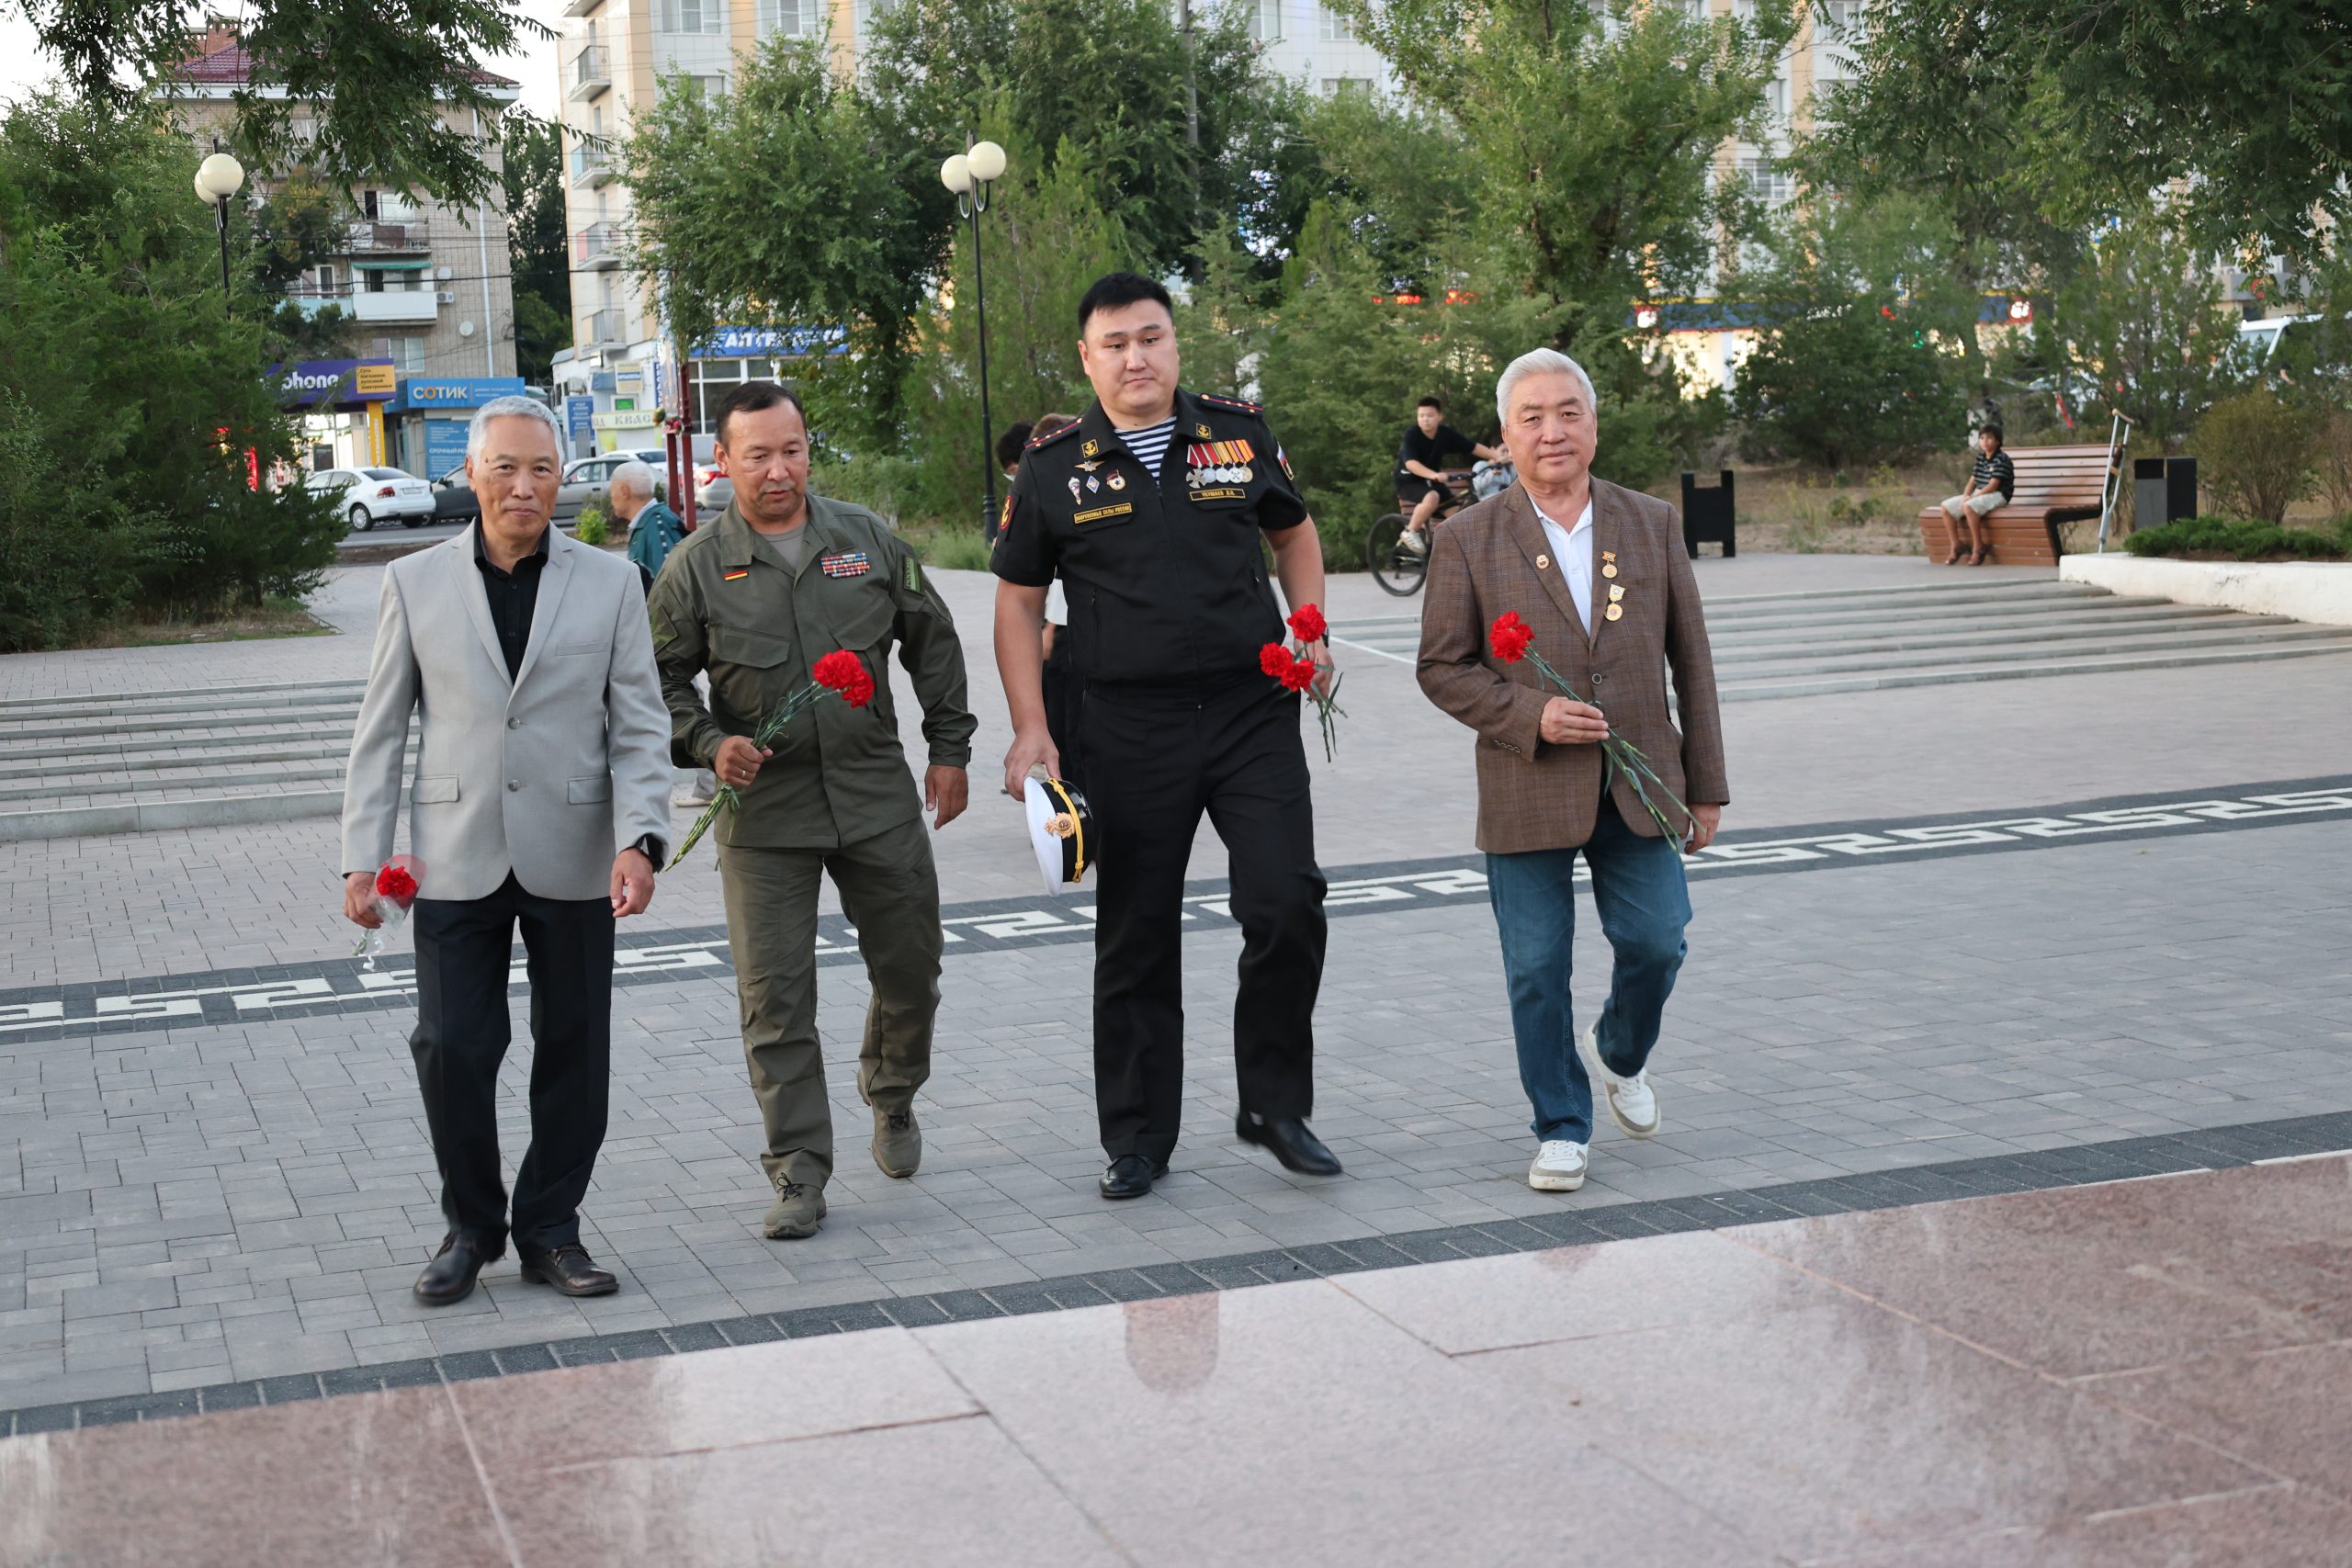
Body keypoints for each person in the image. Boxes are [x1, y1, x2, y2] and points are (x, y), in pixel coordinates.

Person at [991, 270, 1342, 1201]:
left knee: (1288, 901)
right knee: (1136, 930)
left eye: (1150, 338)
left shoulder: (1237, 433)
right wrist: (1031, 727)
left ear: (1176, 344)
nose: (1135, 357)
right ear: (1087, 358)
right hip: (1126, 724)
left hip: (1250, 711)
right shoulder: (1051, 466)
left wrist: (1309, 629)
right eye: (1115, 344)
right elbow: (1018, 604)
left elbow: (1294, 536)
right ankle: (1139, 1136)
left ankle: (1275, 1107)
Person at [339, 394, 672, 1305]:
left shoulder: (611, 583)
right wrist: (363, 856)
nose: (523, 486)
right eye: (505, 468)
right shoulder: (414, 582)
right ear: (472, 475)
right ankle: (472, 1227)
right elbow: (381, 730)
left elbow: (640, 723)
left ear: (562, 480)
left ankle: (551, 1229)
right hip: (452, 852)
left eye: (541, 470)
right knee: (451, 1044)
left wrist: (642, 838)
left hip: (576, 847)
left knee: (575, 1048)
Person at [647, 380, 976, 1241]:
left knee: (911, 967)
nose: (778, 469)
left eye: (791, 450)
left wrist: (949, 751)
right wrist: (709, 741)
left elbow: (934, 639)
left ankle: (892, 1092)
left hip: (875, 798)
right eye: (757, 454)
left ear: (807, 450)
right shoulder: (693, 567)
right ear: (724, 461)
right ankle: (798, 1168)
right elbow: (655, 681)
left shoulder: (865, 540)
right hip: (765, 817)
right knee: (775, 999)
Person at [1415, 349, 1728, 1197]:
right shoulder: (1467, 538)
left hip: (1641, 780)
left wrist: (1706, 785)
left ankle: (1620, 1049)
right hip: (1526, 781)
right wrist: (1531, 714)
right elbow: (1441, 667)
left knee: (1658, 940)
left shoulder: (1651, 521)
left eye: (1569, 413)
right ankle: (1560, 1123)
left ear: (1594, 423)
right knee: (1535, 967)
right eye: (1532, 417)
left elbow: (1692, 660)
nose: (1552, 431)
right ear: (1505, 434)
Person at [1025, 411, 1085, 789]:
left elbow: (1066, 571)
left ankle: (1070, 796)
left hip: (1069, 632)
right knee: (1061, 722)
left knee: (1069, 724)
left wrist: (1049, 628)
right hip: (1063, 629)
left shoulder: (1073, 488)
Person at [1396, 395, 1504, 554]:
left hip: (1432, 481)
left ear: (1440, 417)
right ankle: (1410, 531)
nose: (1425, 419)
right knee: (1432, 496)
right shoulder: (1412, 434)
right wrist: (1433, 475)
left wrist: (1497, 457)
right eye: (1421, 416)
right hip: (1408, 481)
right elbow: (1411, 464)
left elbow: (1472, 447)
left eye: (1430, 415)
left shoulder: (1445, 434)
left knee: (1457, 517)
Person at [1939, 423, 2015, 566]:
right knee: (1945, 507)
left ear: (1998, 441)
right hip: (1980, 493)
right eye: (1982, 438)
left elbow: (1993, 485)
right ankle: (1956, 544)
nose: (1985, 441)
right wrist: (1965, 496)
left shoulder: (2002, 459)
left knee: (1969, 506)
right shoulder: (1981, 458)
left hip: (1998, 494)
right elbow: (1972, 480)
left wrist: (1972, 498)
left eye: (1989, 438)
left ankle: (1978, 547)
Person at [616, 458, 686, 591]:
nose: (611, 498)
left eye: (612, 490)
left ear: (625, 491)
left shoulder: (657, 525)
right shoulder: (649, 523)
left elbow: (671, 588)